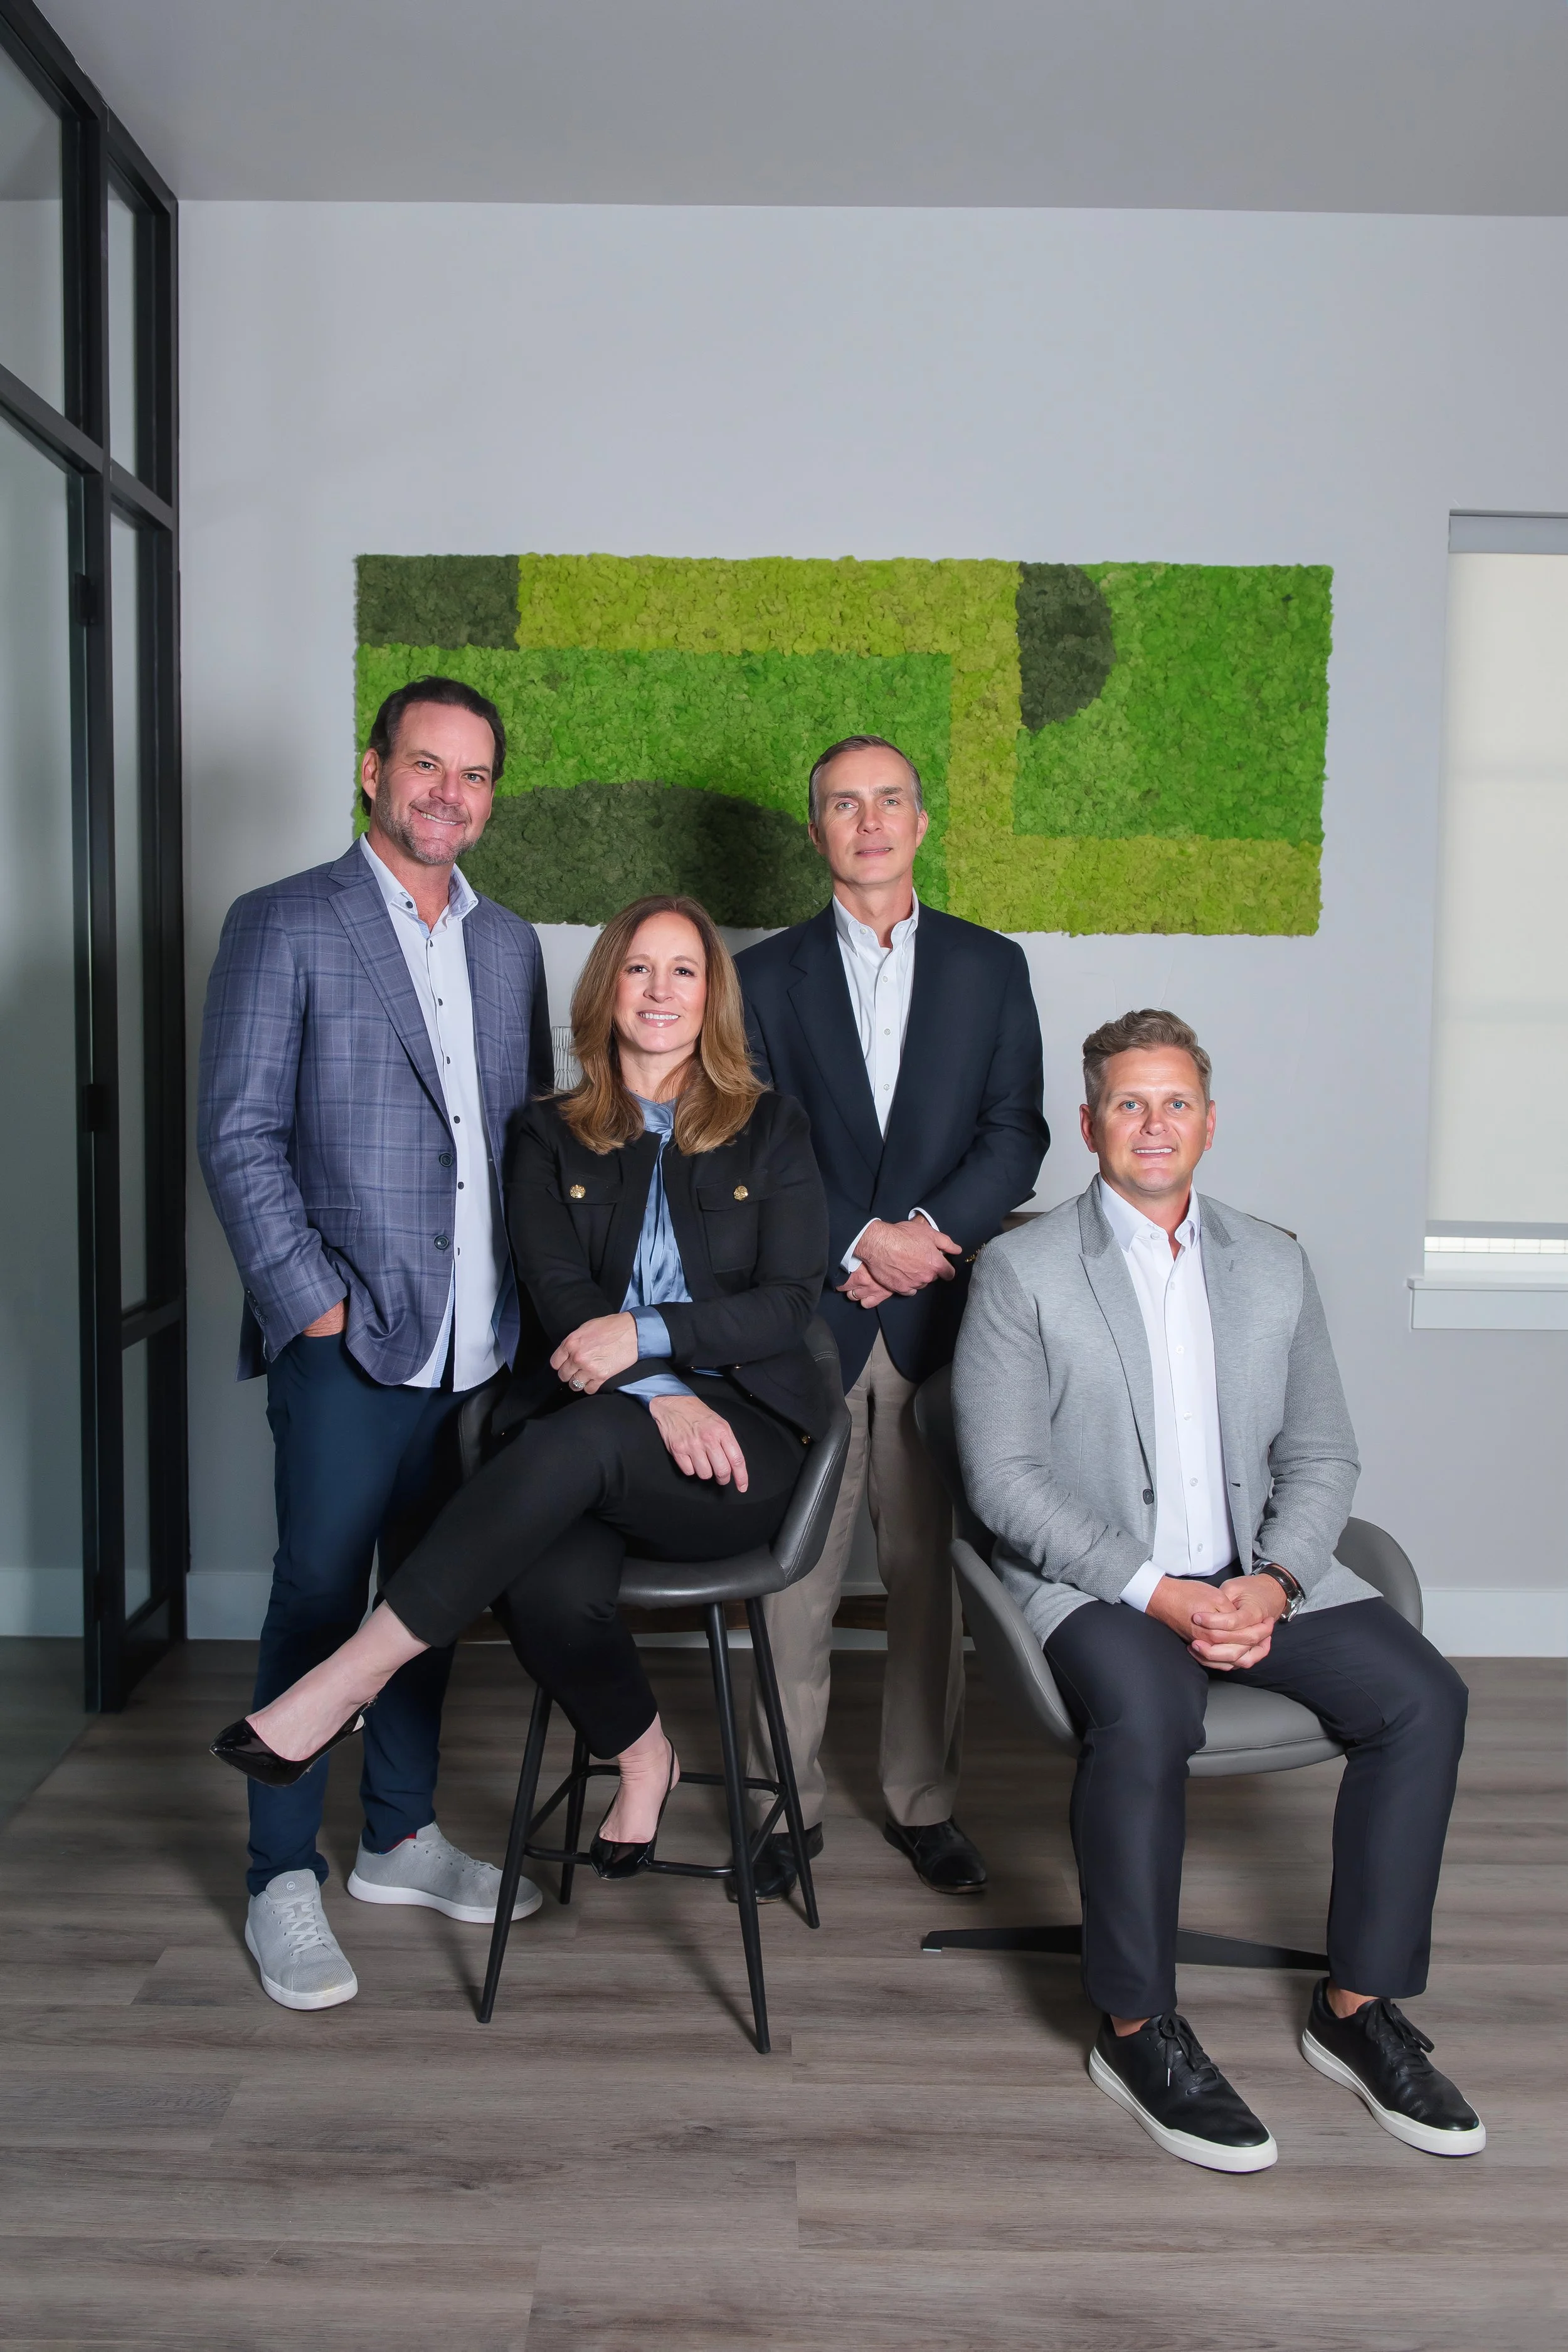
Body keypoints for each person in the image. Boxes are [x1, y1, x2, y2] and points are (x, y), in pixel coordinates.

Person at [952, 1007, 1483, 2171]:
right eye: (1129, 1104)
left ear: (1210, 1120)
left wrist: (1278, 1578)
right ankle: (1138, 2029)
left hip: (1263, 1577)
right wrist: (1160, 1594)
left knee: (1425, 1700)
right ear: (1089, 1123)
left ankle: (1357, 2013)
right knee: (1150, 1716)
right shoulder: (1021, 1270)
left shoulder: (1273, 1262)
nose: (1154, 1125)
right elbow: (1002, 1480)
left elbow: (1326, 1450)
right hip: (1103, 1588)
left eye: (1175, 1102)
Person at [211, 896, 832, 1888]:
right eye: (638, 968)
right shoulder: (548, 1134)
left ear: (712, 994)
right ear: (606, 990)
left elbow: (790, 1302)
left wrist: (649, 1337)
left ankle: (349, 1675)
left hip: (739, 1445)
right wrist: (658, 1385)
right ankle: (644, 1754)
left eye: (684, 970)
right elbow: (557, 1295)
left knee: (565, 1444)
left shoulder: (774, 1127)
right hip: (597, 1432)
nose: (660, 990)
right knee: (546, 1586)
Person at [198, 674, 554, 2011]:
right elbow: (234, 1131)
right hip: (349, 1342)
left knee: (430, 1596)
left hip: (481, 1345)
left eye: (470, 775)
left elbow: (519, 1146)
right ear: (372, 771)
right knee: (317, 1593)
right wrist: (313, 1301)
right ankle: (278, 1873)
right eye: (424, 766)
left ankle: (398, 1838)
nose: (445, 793)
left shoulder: (508, 944)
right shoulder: (285, 921)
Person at [736, 735, 1049, 1900]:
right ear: (816, 830)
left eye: (889, 800)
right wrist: (858, 1243)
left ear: (923, 821)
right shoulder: (761, 978)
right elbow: (744, 1146)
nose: (867, 820)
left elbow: (1017, 1129)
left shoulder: (989, 966)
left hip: (936, 1324)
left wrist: (925, 1238)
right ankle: (784, 1812)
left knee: (927, 1580)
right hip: (804, 1322)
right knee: (791, 1585)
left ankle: (925, 1804)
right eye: (840, 804)